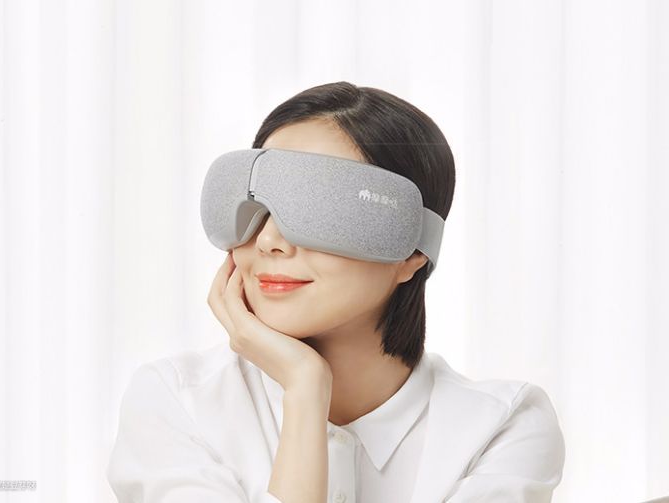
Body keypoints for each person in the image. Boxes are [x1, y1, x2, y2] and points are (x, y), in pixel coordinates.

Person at [106, 81, 566, 503]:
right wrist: (305, 390)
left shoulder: (501, 426)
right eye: (257, 205)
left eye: (317, 207)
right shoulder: (176, 401)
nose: (268, 241)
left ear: (411, 252)